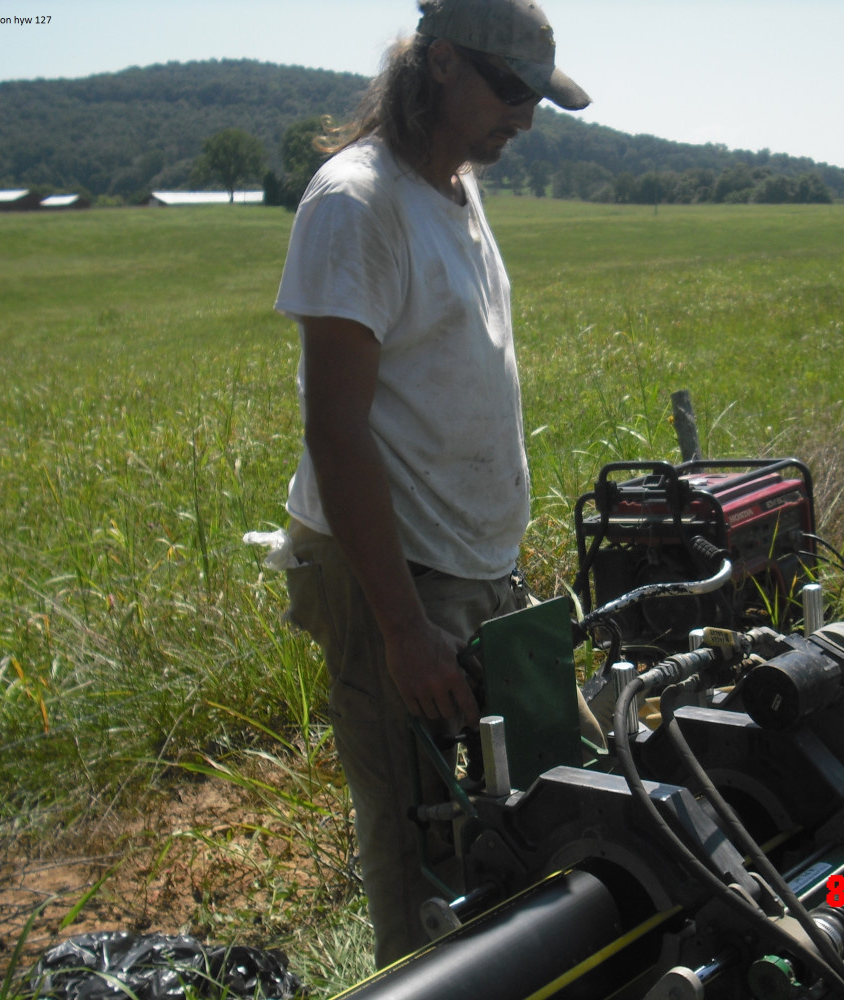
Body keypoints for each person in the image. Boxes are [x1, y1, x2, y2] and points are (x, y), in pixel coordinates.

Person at [272, 0, 591, 970]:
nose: (526, 118)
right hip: (392, 576)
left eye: (538, 97)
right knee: (420, 840)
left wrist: (499, 557)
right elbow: (336, 429)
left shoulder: (452, 183)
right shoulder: (353, 202)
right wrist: (405, 627)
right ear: (441, 63)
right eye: (511, 90)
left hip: (475, 566)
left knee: (553, 794)